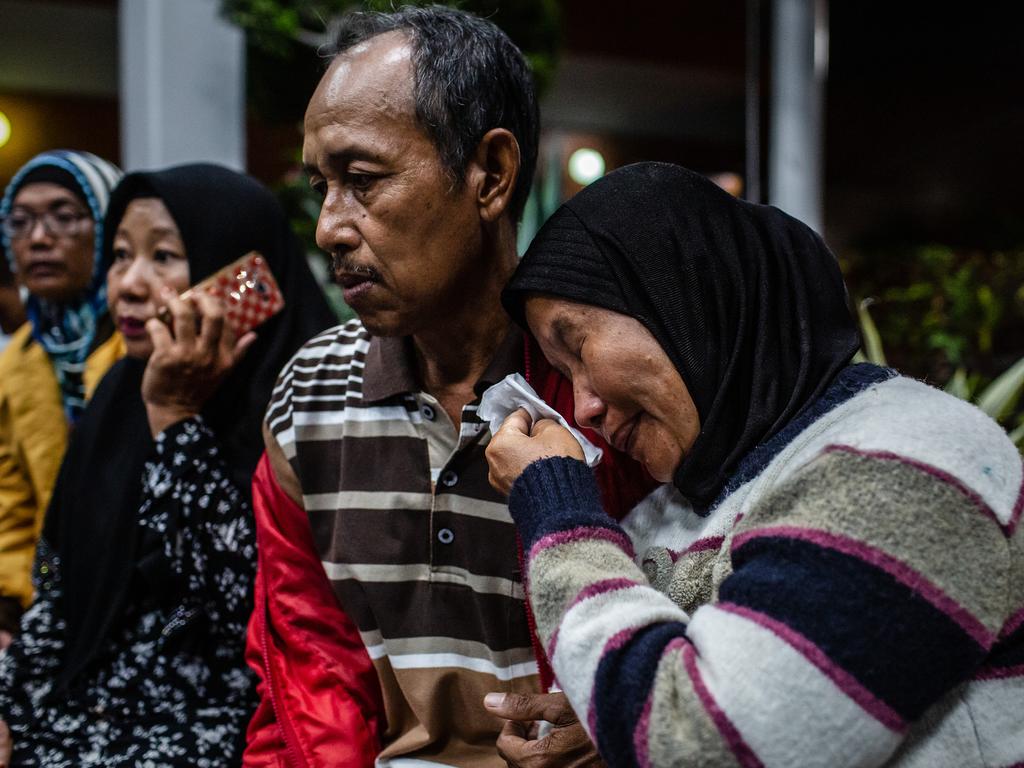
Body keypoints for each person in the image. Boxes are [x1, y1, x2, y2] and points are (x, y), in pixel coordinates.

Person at [485, 162, 1024, 768]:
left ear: (682, 293)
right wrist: (607, 733)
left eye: (578, 347)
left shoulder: (910, 456)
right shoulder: (673, 507)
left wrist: (555, 503)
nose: (583, 408)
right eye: (564, 375)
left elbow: (708, 746)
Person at [244, 6, 654, 767]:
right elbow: (306, 670)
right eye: (320, 186)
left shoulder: (601, 391)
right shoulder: (310, 393)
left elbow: (702, 634)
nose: (330, 226)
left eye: (362, 180)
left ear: (490, 175)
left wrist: (626, 719)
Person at [0, 163, 335, 767]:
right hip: (87, 699)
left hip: (227, 715)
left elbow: (241, 615)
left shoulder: (307, 404)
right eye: (121, 255)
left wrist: (175, 417)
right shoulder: (116, 398)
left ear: (243, 274)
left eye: (163, 256)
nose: (128, 284)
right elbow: (61, 594)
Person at [0, 150, 123, 643]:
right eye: (20, 222)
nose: (39, 238)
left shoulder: (145, 342)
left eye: (65, 217)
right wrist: (7, 614)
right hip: (51, 610)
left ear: (110, 228)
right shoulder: (20, 358)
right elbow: (10, 498)